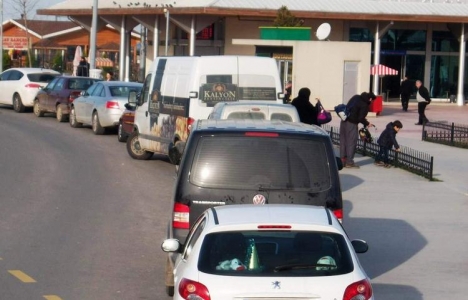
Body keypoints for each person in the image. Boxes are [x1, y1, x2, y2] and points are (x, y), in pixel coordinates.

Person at [339, 92, 376, 169]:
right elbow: (360, 118)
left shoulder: (355, 97)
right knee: (351, 142)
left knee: (343, 141)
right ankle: (349, 162)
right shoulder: (364, 105)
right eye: (372, 101)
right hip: (352, 124)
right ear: (370, 99)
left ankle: (342, 160)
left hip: (343, 121)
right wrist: (367, 123)